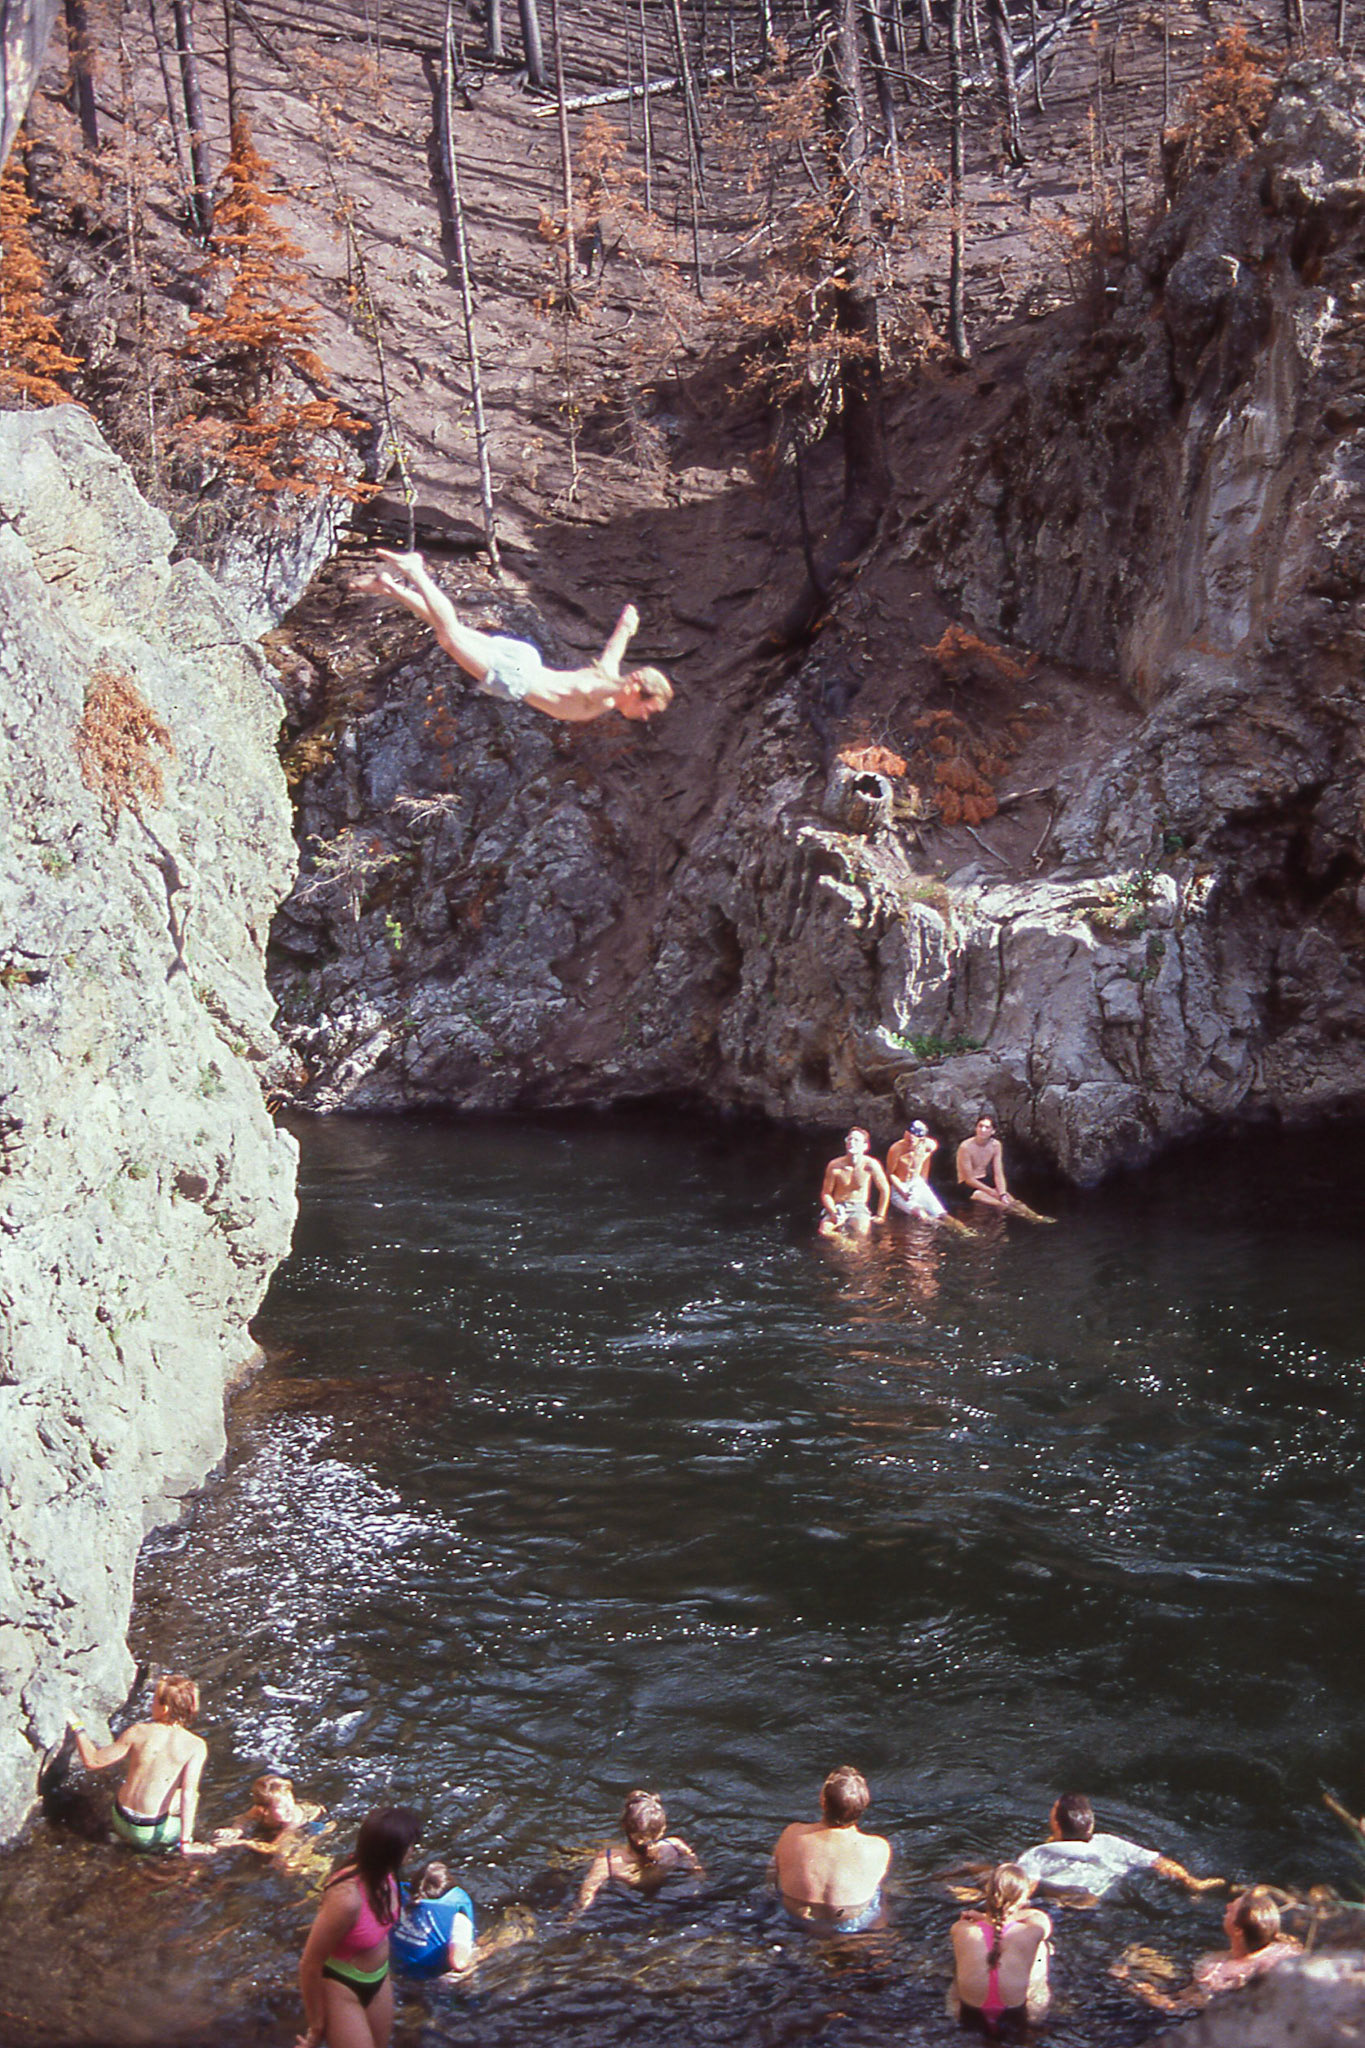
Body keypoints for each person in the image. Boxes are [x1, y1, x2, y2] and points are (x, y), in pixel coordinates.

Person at [353, 549, 673, 724]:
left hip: (526, 663)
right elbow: (615, 656)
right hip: (517, 679)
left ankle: (391, 588)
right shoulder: (604, 697)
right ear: (635, 689)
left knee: (454, 629)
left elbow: (615, 647)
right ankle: (415, 570)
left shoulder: (608, 676)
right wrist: (626, 628)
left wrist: (627, 625)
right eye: (648, 709)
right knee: (450, 637)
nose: (644, 717)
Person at [296, 1805, 421, 2048]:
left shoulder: (387, 1874)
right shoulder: (346, 1899)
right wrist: (316, 2027)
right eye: (409, 1846)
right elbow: (309, 1964)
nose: (413, 1851)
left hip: (378, 1977)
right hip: (341, 1986)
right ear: (389, 1851)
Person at [68, 1673, 212, 1857]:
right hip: (147, 1832)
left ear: (165, 1708)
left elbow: (92, 1761)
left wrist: (77, 1726)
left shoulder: (138, 1731)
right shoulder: (195, 1745)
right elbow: (189, 1796)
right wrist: (186, 1842)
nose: (151, 1705)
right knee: (191, 1794)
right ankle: (164, 1852)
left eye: (154, 1701)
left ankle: (120, 1838)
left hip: (119, 1818)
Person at [1112, 1887, 1298, 2013]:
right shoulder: (1288, 1949)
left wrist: (1135, 1986)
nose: (1227, 1906)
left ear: (1238, 1930)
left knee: (1136, 1958)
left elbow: (1175, 2007)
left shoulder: (1214, 1973)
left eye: (1231, 1910)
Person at [1017, 1793, 1224, 1901]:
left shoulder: (1038, 1854)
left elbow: (1025, 1889)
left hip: (1062, 1901)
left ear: (1055, 1823)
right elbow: (1157, 1862)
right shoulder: (1108, 1843)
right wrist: (1192, 1882)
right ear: (1091, 1824)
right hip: (1106, 1891)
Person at [771, 1766, 892, 1932]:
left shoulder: (793, 1832)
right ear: (864, 1805)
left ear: (822, 1801)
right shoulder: (878, 1847)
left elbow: (772, 1876)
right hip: (851, 1923)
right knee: (880, 1892)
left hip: (793, 1917)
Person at [949, 1862, 1051, 2034]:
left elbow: (991, 1927)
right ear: (1023, 1898)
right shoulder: (1034, 1929)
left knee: (962, 1959)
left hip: (969, 2011)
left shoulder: (960, 1928)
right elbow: (1039, 1917)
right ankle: (1033, 2026)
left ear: (987, 1894)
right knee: (1043, 1947)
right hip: (1015, 2011)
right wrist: (1010, 1913)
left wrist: (982, 1917)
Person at [575, 1789, 703, 1917]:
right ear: (663, 1829)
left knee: (580, 1857)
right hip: (670, 1901)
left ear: (624, 1825)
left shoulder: (608, 1860)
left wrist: (572, 1919)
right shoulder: (675, 1846)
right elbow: (698, 1873)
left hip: (627, 1906)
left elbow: (587, 1895)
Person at [390, 1859, 476, 1978]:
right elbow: (458, 1963)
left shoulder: (393, 1899)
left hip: (392, 1971)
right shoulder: (457, 1915)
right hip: (433, 1982)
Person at [213, 1773, 325, 1855]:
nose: (289, 1808)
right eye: (280, 1807)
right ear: (264, 1810)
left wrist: (240, 1842)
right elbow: (243, 1819)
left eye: (291, 1801)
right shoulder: (257, 1810)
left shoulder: (293, 1820)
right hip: (274, 1823)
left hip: (311, 1820)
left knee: (285, 1856)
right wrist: (235, 1830)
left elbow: (275, 1847)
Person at [819, 1128, 891, 1236]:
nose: (851, 1142)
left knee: (862, 1233)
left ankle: (852, 1247)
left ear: (865, 1146)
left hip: (858, 1206)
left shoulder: (870, 1165)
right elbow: (826, 1193)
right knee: (824, 1231)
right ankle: (846, 1244)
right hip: (838, 1206)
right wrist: (833, 1212)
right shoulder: (834, 1166)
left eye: (856, 1140)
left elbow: (884, 1189)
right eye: (849, 1139)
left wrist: (881, 1215)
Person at [886, 1119, 948, 1221]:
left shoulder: (928, 1145)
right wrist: (903, 1191)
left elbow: (930, 1152)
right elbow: (890, 1174)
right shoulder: (896, 1149)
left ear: (922, 1138)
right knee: (921, 1214)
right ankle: (939, 1229)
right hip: (900, 1186)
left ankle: (963, 1231)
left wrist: (924, 1179)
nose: (911, 1137)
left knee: (941, 1213)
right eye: (909, 1133)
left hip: (917, 1182)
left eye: (915, 1136)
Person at [956, 1114, 1015, 1211]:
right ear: (976, 1128)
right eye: (980, 1126)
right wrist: (991, 1192)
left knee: (1010, 1199)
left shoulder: (996, 1145)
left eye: (987, 1127)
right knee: (1001, 1205)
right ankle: (1017, 1213)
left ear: (993, 1131)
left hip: (984, 1179)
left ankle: (1035, 1216)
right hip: (968, 1185)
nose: (982, 1130)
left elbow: (998, 1173)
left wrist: (1002, 1193)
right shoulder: (965, 1147)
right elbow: (969, 1179)